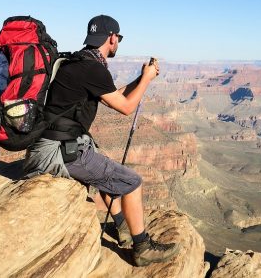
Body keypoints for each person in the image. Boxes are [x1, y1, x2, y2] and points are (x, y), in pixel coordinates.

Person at [23, 15, 180, 267]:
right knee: (131, 182)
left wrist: (140, 78)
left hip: (50, 143)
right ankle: (142, 248)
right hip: (58, 151)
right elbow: (127, 107)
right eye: (119, 38)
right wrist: (148, 81)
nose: (118, 42)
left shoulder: (79, 61)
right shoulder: (92, 68)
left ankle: (122, 229)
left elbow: (112, 95)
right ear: (112, 38)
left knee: (104, 168)